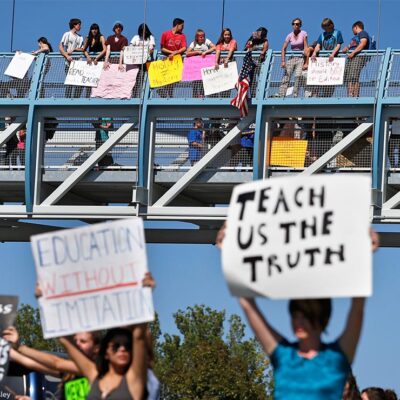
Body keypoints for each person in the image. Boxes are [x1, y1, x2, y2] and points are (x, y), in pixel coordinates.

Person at [216, 225, 379, 399]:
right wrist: (230, 255)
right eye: (295, 316)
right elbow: (248, 304)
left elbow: (357, 309)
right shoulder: (283, 355)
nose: (297, 322)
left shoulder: (337, 357)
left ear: (321, 318)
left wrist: (364, 256)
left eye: (305, 316)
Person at [59, 273, 154, 400]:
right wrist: (46, 300)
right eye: (116, 346)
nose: (122, 349)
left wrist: (145, 294)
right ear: (106, 352)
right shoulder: (94, 375)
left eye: (127, 346)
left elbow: (139, 336)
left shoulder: (133, 379)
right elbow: (64, 342)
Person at [311, 18, 344, 97]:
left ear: (331, 25)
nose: (325, 29)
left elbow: (339, 45)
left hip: (333, 60)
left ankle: (328, 96)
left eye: (326, 27)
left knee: (331, 80)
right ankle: (319, 95)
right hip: (323, 61)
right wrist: (314, 53)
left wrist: (332, 54)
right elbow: (318, 45)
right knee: (322, 79)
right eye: (324, 28)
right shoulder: (322, 35)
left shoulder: (337, 33)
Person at [277, 18, 308, 98]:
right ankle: (281, 94)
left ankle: (295, 94)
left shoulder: (303, 33)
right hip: (292, 58)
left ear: (300, 25)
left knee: (298, 76)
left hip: (301, 58)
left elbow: (306, 48)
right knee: (286, 75)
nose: (295, 25)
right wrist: (283, 61)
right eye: (293, 24)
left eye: (297, 24)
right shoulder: (289, 35)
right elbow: (283, 48)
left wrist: (306, 62)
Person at [342, 21, 372, 97]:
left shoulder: (362, 33)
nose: (352, 31)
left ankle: (355, 96)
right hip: (352, 58)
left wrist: (353, 53)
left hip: (358, 57)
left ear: (356, 27)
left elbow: (363, 43)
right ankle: (349, 95)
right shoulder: (355, 37)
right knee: (349, 77)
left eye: (353, 29)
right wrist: (347, 48)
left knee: (354, 77)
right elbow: (352, 45)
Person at [127, 23, 156, 97]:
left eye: (144, 30)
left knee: (146, 80)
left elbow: (151, 48)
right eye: (141, 30)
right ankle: (134, 95)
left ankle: (145, 96)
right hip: (136, 62)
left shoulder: (150, 37)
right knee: (135, 79)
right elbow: (130, 47)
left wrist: (148, 51)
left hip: (147, 61)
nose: (143, 32)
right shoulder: (136, 37)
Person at [59, 18, 84, 98]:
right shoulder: (67, 34)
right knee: (69, 82)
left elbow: (83, 49)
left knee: (79, 83)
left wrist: (74, 49)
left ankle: (76, 99)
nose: (80, 26)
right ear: (74, 25)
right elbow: (60, 47)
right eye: (79, 24)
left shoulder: (80, 37)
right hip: (68, 63)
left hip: (78, 63)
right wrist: (67, 56)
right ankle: (67, 99)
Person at [186, 29, 215, 97]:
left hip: (204, 67)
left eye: (203, 36)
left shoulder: (206, 41)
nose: (202, 38)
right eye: (200, 36)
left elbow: (214, 47)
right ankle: (195, 96)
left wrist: (206, 52)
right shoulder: (193, 43)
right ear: (197, 37)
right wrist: (197, 52)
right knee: (195, 82)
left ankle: (202, 96)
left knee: (203, 82)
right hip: (196, 68)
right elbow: (187, 53)